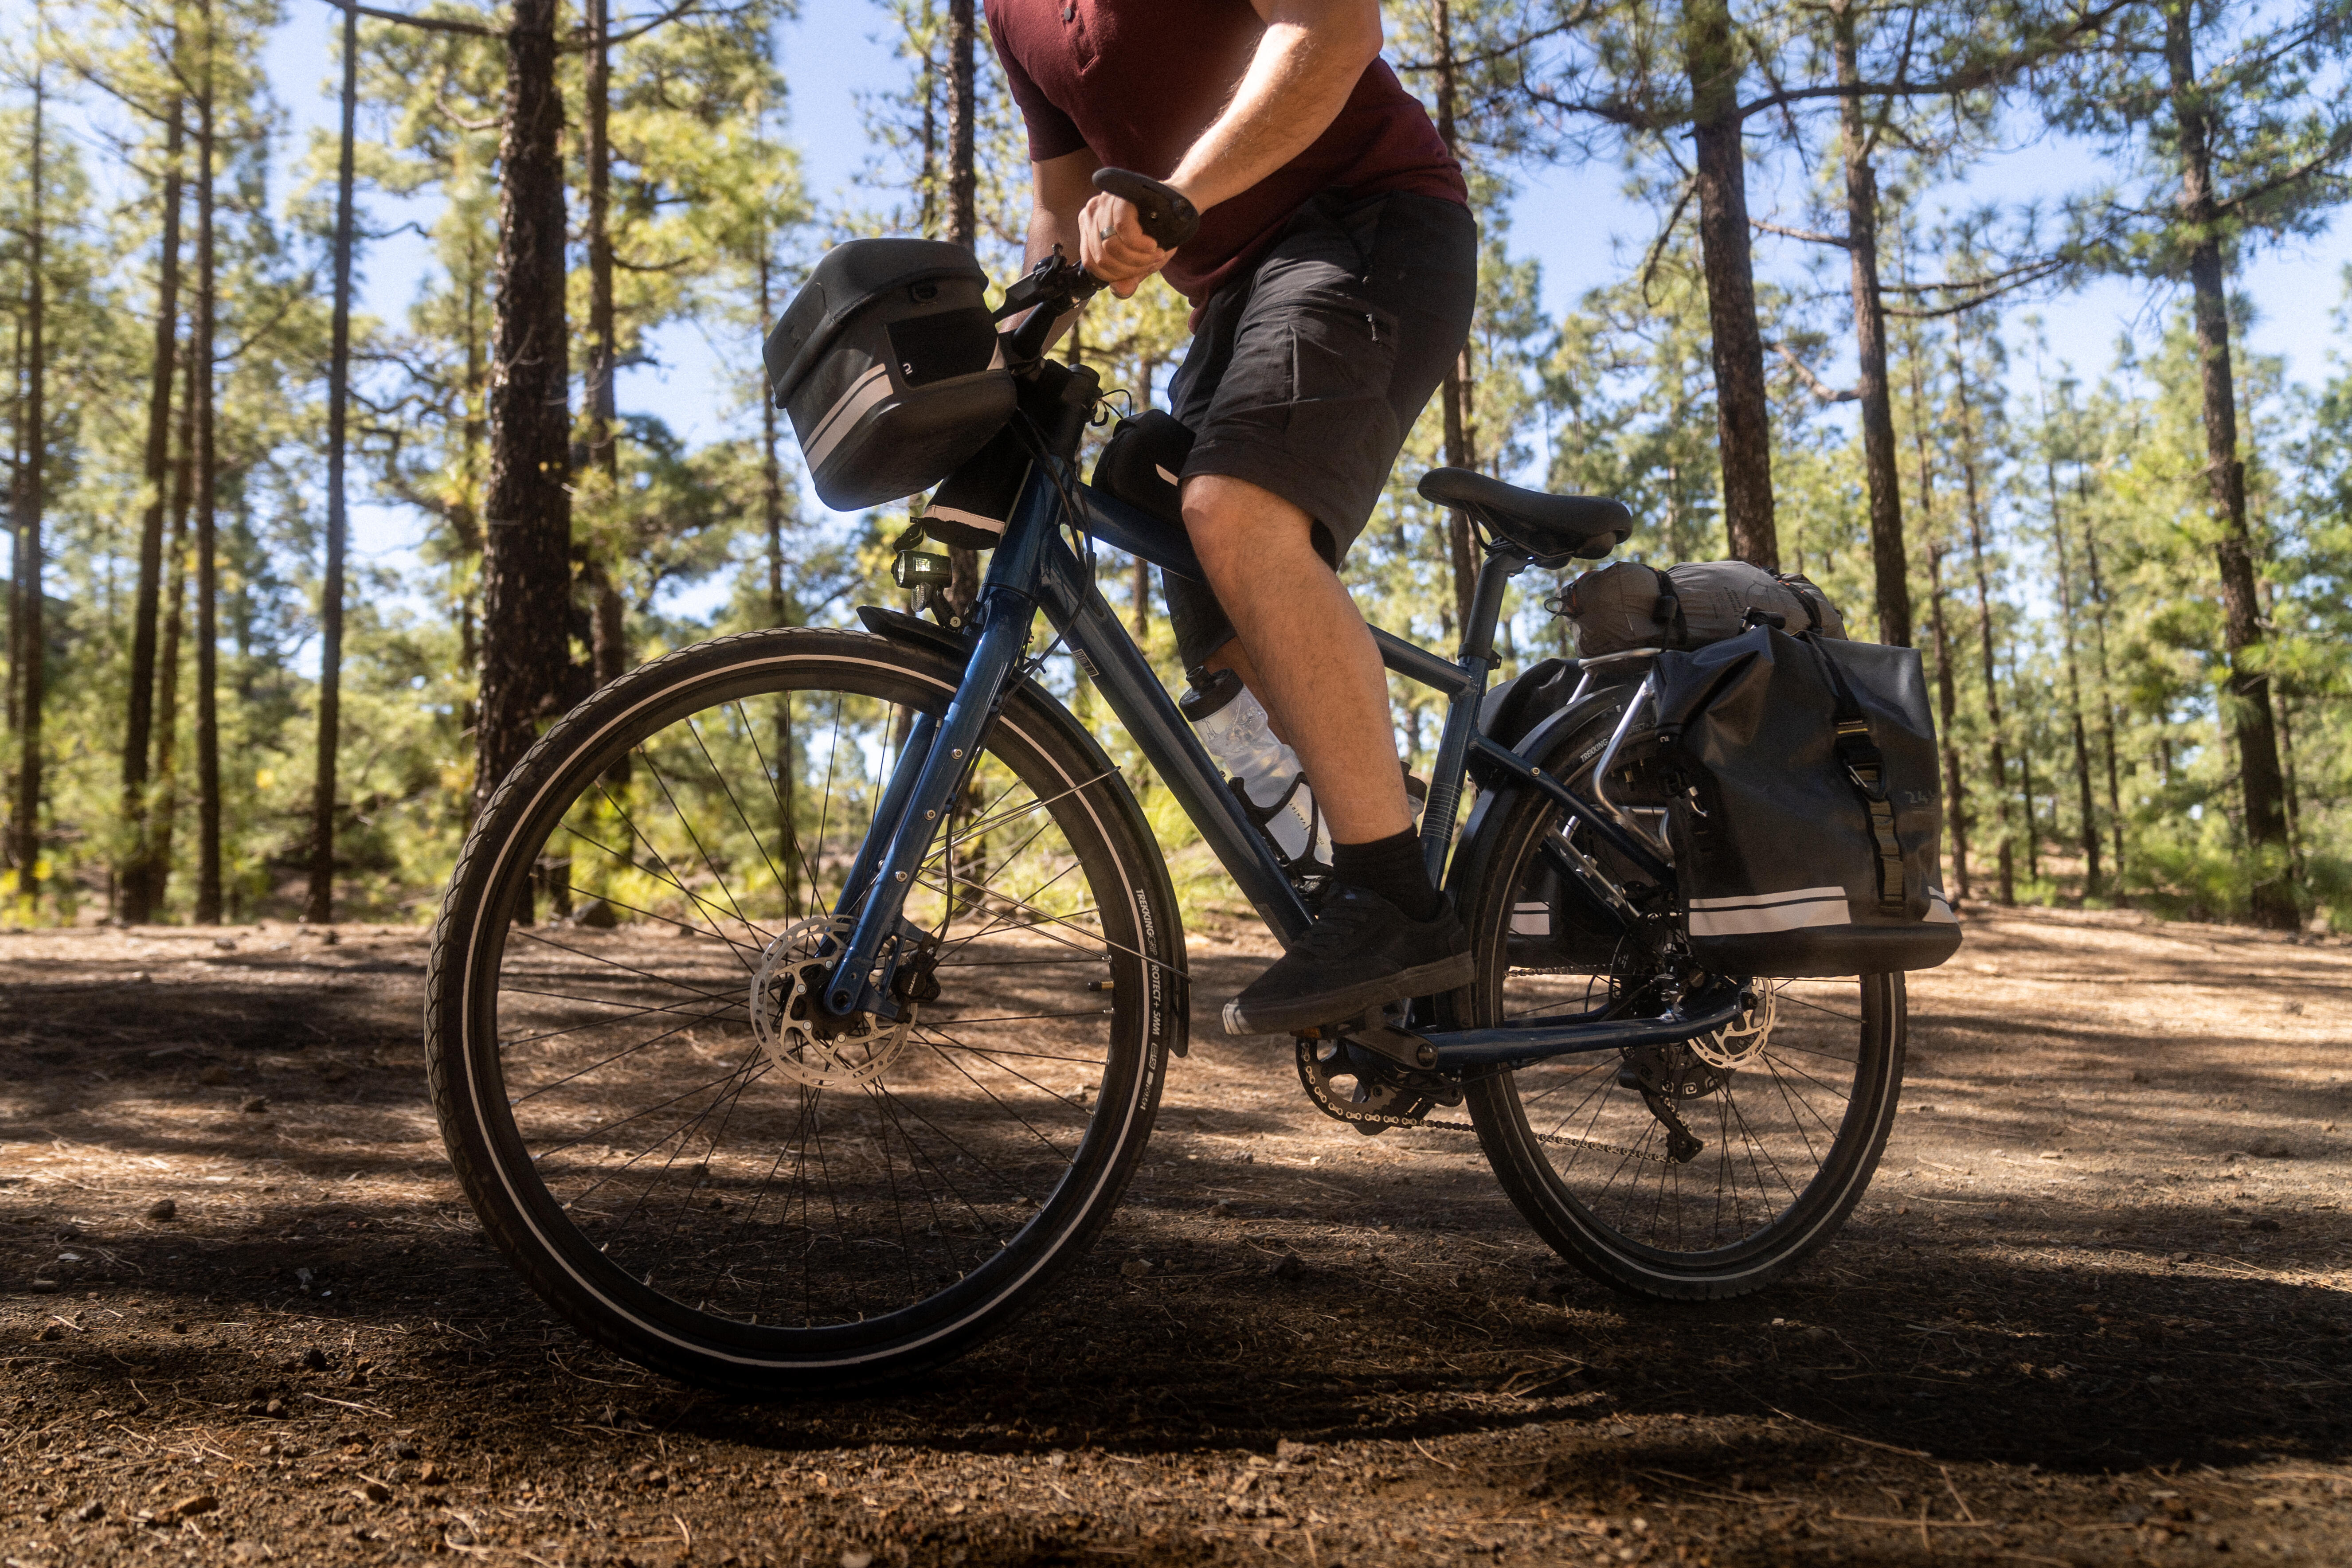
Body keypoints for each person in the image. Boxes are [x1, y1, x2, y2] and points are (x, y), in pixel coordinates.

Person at [985, 0, 1480, 1036]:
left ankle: (1391, 896)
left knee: (1234, 507)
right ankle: (1335, 836)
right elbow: (1062, 204)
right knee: (1145, 482)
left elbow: (1335, 35)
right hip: (1237, 293)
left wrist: (1174, 195)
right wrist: (1002, 364)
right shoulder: (1009, 12)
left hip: (1370, 223)